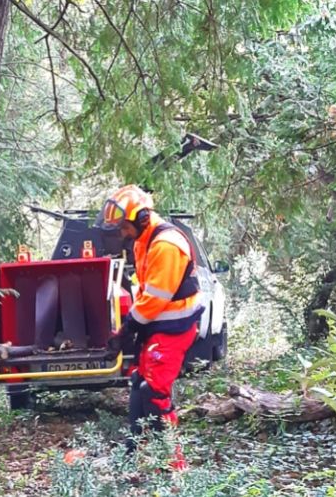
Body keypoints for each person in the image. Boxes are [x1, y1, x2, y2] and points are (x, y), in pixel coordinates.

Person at [99, 185, 203, 470]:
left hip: (174, 327)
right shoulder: (142, 241)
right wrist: (131, 329)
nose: (121, 233)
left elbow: (156, 297)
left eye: (124, 227)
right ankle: (133, 453)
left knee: (155, 393)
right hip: (158, 325)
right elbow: (144, 292)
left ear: (141, 217)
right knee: (138, 384)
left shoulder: (166, 245)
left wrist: (129, 328)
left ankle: (172, 468)